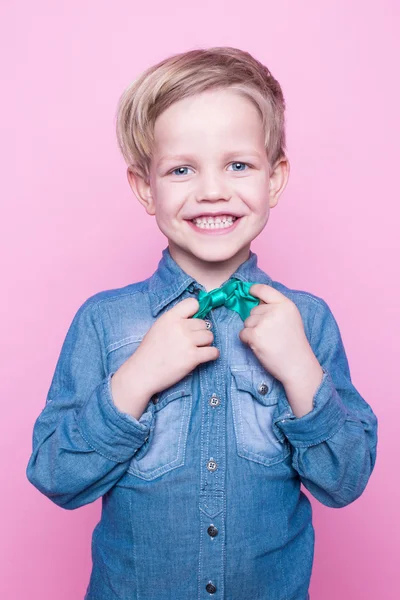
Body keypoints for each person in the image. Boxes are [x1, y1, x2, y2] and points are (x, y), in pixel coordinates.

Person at [26, 46, 378, 600]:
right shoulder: (103, 320)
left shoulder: (307, 321)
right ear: (146, 187)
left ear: (275, 178)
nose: (212, 190)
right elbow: (55, 475)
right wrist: (135, 380)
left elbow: (346, 481)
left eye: (238, 164)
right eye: (182, 169)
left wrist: (302, 371)